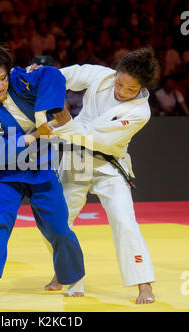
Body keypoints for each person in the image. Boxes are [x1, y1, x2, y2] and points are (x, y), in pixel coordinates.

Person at [0, 42, 85, 299]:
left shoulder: (19, 79)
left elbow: (52, 74)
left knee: (59, 228)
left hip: (41, 170)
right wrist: (34, 135)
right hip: (3, 176)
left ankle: (71, 278)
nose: (0, 86)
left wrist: (43, 113)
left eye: (2, 78)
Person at [44, 47, 158, 304]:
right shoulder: (102, 76)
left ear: (141, 88)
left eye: (130, 89)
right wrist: (42, 75)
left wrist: (62, 123)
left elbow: (97, 138)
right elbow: (64, 76)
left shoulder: (140, 112)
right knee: (58, 222)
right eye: (120, 83)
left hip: (109, 163)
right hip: (76, 159)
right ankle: (68, 276)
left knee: (124, 220)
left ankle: (144, 284)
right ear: (116, 74)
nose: (121, 91)